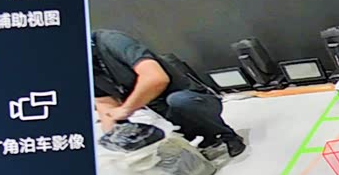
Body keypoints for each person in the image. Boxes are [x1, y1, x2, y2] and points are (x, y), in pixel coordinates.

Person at [90, 28, 247, 160]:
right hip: (159, 109)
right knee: (157, 140)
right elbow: (104, 104)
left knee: (179, 101)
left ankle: (227, 135)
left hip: (191, 97)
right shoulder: (88, 69)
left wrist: (126, 109)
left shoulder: (112, 41)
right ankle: (206, 138)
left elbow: (156, 79)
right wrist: (114, 138)